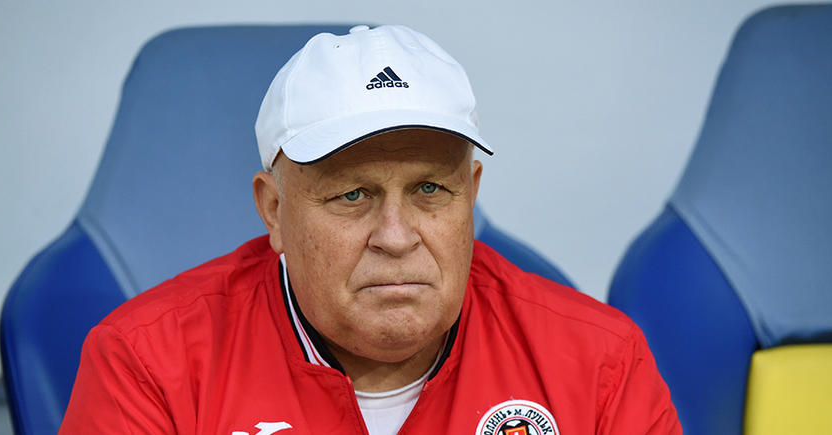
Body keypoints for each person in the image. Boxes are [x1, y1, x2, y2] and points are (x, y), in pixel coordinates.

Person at [59, 25, 681, 434]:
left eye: (430, 190)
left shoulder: (600, 363)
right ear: (273, 211)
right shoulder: (147, 364)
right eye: (352, 195)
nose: (396, 236)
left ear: (471, 195)